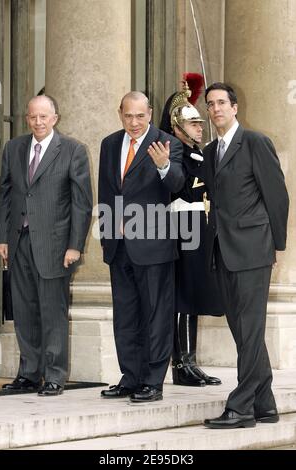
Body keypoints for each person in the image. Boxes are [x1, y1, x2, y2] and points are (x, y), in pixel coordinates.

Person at [202, 83, 289, 428]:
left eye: (222, 102)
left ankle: (240, 407)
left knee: (250, 329)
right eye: (210, 104)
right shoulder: (211, 151)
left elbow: (277, 197)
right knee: (242, 330)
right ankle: (264, 404)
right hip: (222, 250)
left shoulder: (255, 142)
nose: (216, 109)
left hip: (252, 250)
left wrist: (274, 247)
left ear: (235, 107)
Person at [0, 95, 92, 396]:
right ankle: (28, 373)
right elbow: (5, 195)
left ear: (55, 118)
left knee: (52, 312)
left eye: (43, 117)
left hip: (55, 245)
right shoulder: (13, 148)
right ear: (27, 119)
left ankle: (54, 375)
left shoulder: (73, 151)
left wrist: (75, 245)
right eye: (32, 117)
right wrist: (2, 238)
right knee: (24, 311)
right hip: (19, 242)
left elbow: (81, 204)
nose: (38, 122)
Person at [98, 91, 184, 402]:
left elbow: (177, 185)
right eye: (128, 116)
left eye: (140, 116)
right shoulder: (109, 144)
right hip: (119, 245)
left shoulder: (167, 142)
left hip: (154, 245)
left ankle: (153, 381)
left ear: (149, 113)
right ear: (120, 113)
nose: (134, 122)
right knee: (126, 313)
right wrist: (108, 232)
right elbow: (106, 192)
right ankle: (130, 376)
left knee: (157, 313)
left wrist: (163, 166)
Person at [160, 78, 224, 387]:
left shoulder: (198, 154)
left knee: (194, 295)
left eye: (200, 122)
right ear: (176, 126)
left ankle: (190, 361)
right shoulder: (176, 154)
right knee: (183, 297)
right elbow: (183, 188)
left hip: (199, 228)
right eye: (193, 123)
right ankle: (181, 364)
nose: (200, 127)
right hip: (181, 228)